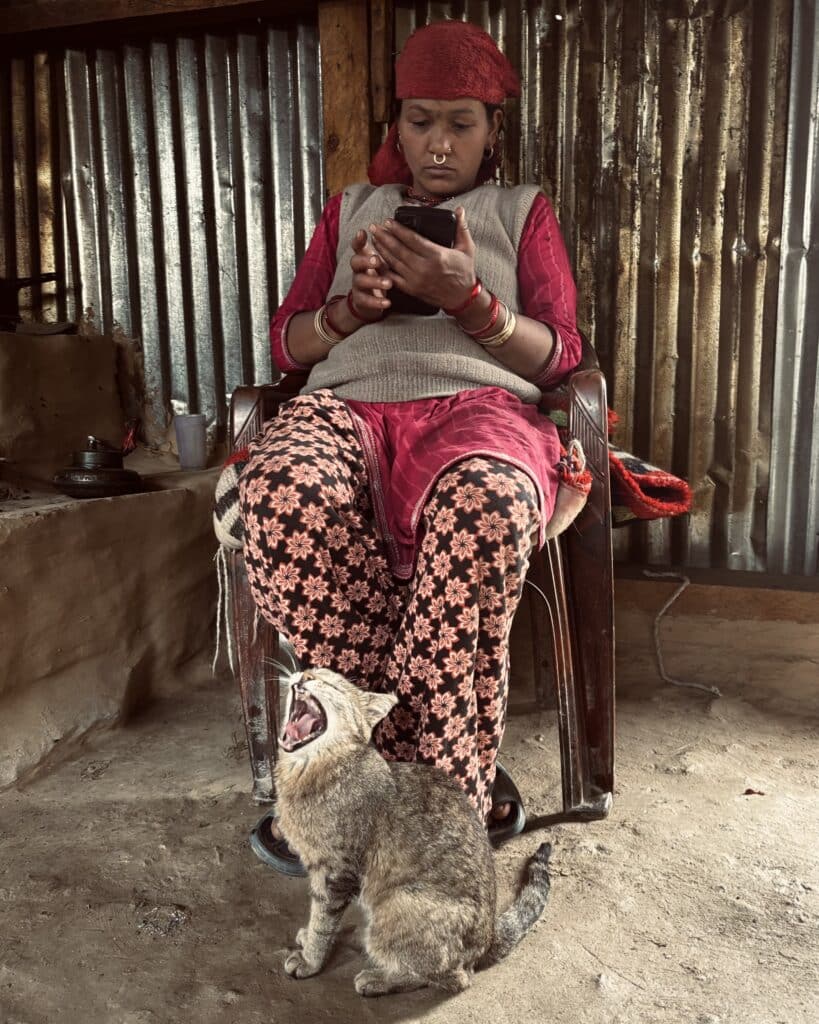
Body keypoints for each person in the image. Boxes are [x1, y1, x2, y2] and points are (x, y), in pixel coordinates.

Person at [237, 20, 583, 875]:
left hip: (479, 411)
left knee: (487, 505)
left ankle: (430, 796)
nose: (438, 142)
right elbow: (288, 345)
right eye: (420, 120)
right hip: (348, 409)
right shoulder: (354, 208)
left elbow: (564, 354)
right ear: (397, 126)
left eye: (460, 123)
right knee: (280, 491)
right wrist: (352, 310)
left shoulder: (519, 211)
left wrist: (469, 303)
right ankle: (382, 775)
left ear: (492, 131)